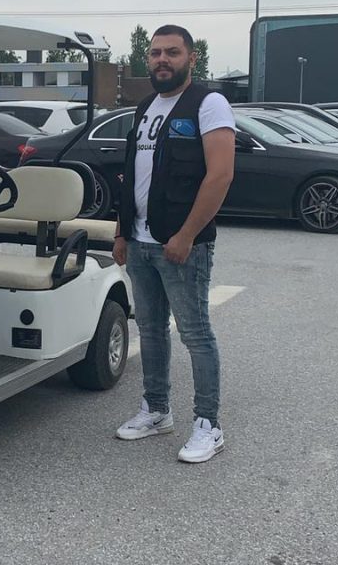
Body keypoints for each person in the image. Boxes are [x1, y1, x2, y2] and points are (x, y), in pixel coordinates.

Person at [112, 24, 236, 463]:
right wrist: (122, 231)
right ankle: (157, 409)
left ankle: (208, 424)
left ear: (191, 58)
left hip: (182, 245)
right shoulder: (146, 106)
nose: (162, 60)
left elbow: (220, 175)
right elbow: (133, 172)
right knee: (149, 329)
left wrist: (186, 235)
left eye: (172, 52)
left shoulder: (209, 104)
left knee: (195, 333)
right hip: (140, 242)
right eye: (155, 53)